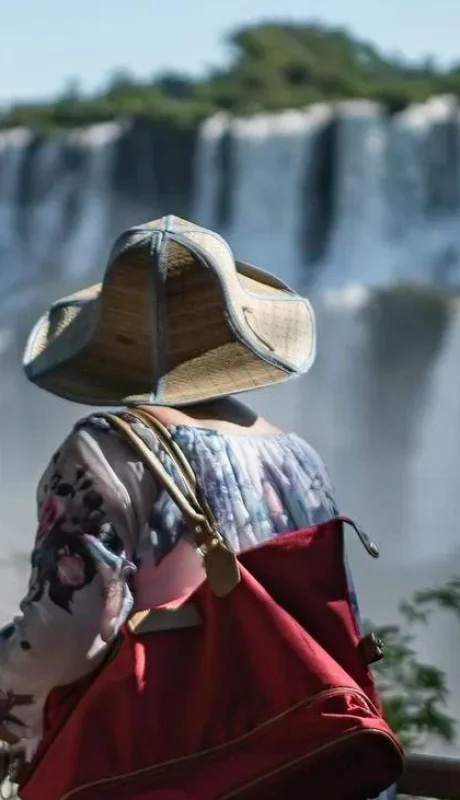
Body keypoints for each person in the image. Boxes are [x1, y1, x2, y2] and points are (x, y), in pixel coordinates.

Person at [0, 214, 342, 765]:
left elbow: (66, 635)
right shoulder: (298, 458)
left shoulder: (107, 448)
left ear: (112, 336)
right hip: (294, 757)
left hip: (169, 767)